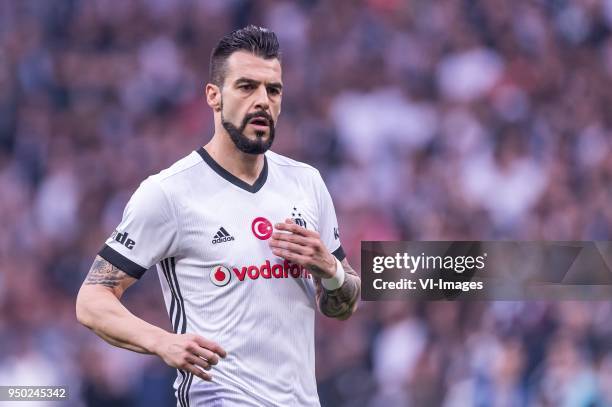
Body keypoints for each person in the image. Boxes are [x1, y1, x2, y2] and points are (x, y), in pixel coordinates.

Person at [76, 25, 360, 407]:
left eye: (272, 90)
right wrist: (162, 342)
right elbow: (92, 299)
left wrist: (331, 270)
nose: (263, 100)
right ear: (214, 96)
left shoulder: (307, 183)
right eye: (246, 87)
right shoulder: (169, 194)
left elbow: (344, 304)